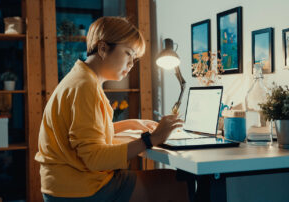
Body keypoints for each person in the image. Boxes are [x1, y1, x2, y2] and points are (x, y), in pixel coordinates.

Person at [35, 16, 191, 202]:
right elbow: (94, 158)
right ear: (102, 48)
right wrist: (153, 138)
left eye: (135, 58)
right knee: (175, 183)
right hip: (80, 188)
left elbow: (88, 134)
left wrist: (132, 124)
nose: (132, 64)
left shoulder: (81, 78)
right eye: (128, 53)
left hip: (63, 184)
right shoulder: (85, 87)